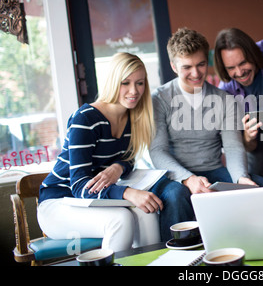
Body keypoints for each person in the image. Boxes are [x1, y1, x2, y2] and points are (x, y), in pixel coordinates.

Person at [38, 53, 193, 251]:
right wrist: (128, 192)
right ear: (112, 82)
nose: (134, 91)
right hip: (58, 203)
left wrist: (118, 168)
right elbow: (79, 186)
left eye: (139, 83)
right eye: (125, 83)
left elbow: (128, 159)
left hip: (91, 202)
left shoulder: (132, 118)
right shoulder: (85, 119)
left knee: (146, 212)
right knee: (121, 220)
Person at [149, 27, 263, 195]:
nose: (196, 73)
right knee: (174, 196)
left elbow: (233, 147)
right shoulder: (159, 99)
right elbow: (157, 151)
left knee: (262, 187)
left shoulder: (225, 99)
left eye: (201, 64)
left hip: (214, 170)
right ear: (174, 67)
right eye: (187, 67)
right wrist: (188, 178)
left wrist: (240, 178)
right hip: (176, 175)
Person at [214, 28, 263, 178]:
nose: (239, 73)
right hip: (258, 138)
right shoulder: (225, 92)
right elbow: (242, 146)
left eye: (243, 63)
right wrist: (247, 137)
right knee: (254, 175)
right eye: (231, 68)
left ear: (252, 54)